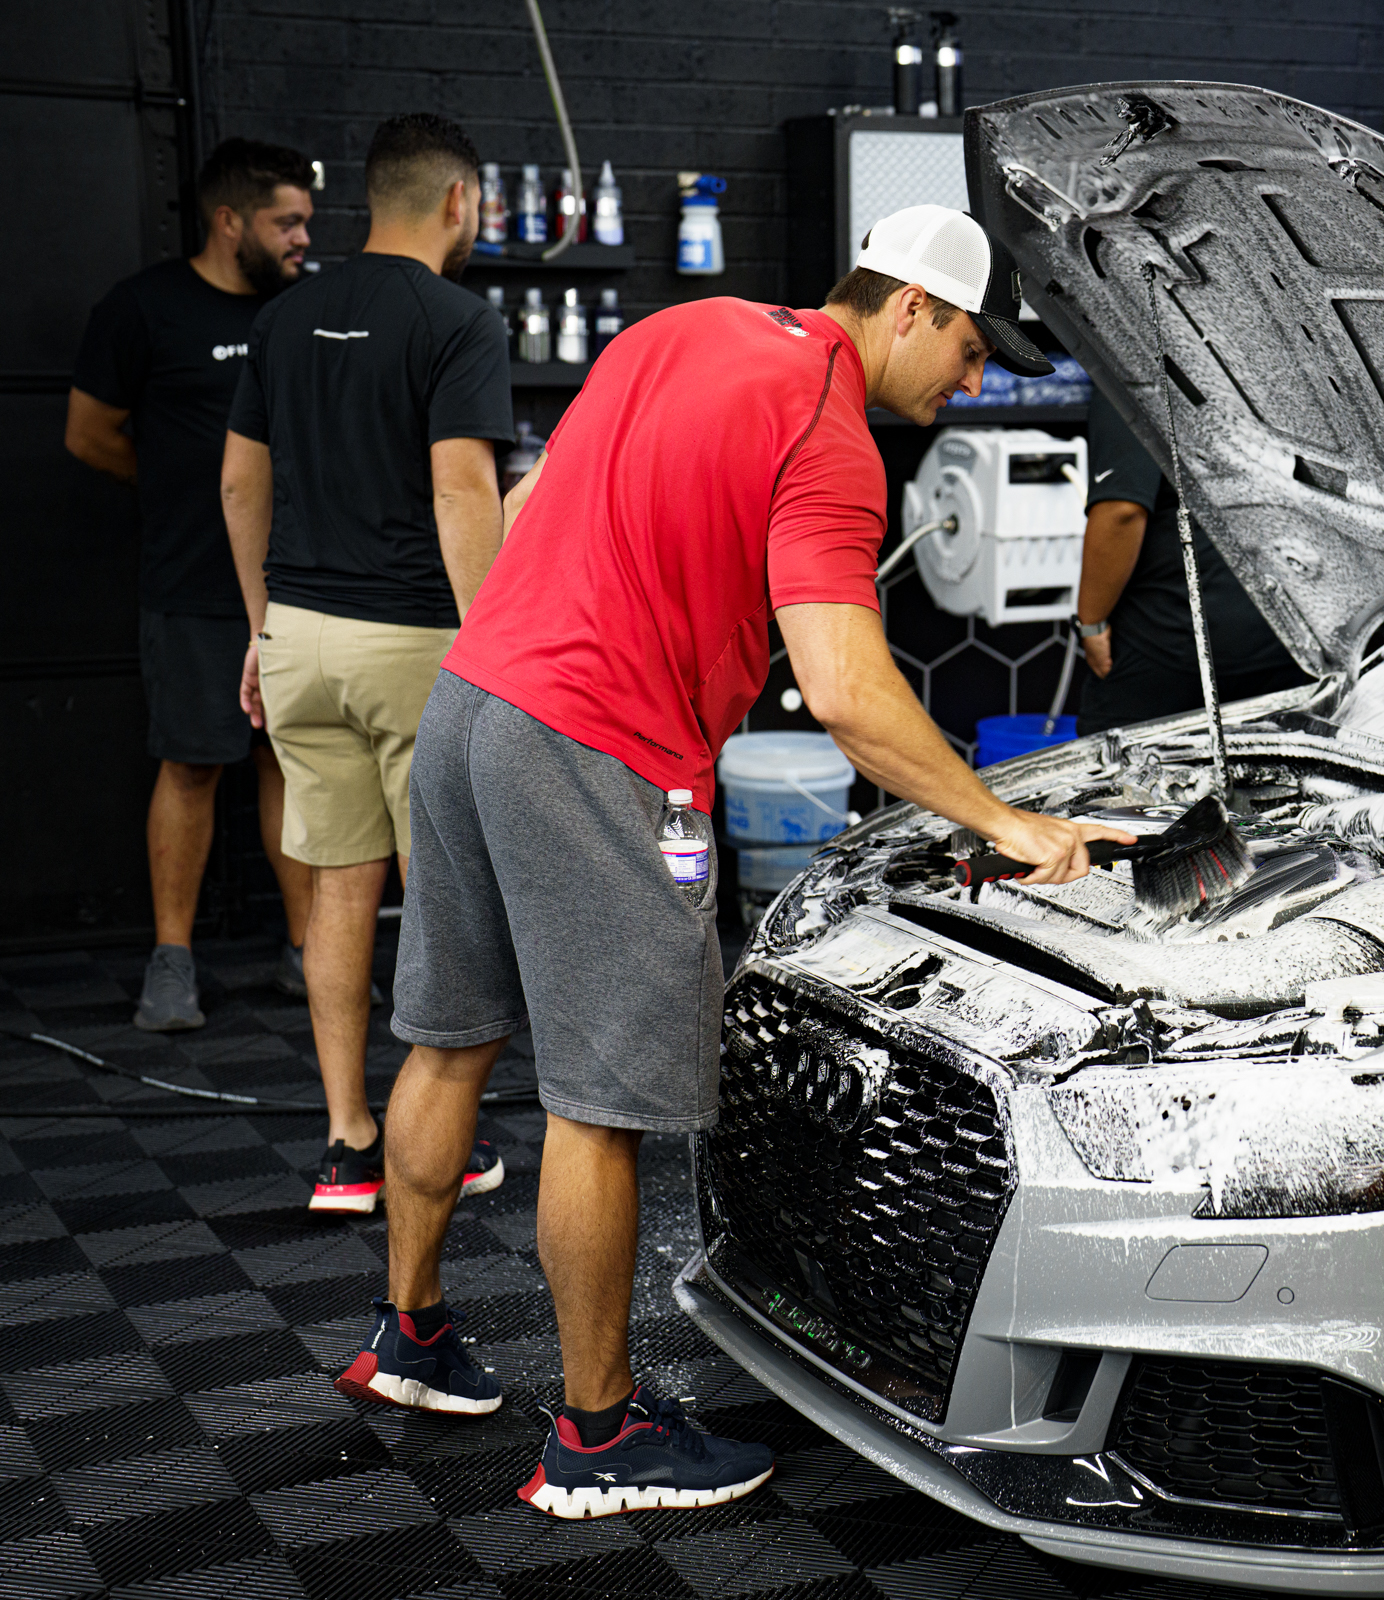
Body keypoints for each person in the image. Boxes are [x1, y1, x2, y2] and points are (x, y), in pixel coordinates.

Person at [334, 204, 1132, 1516]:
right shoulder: (828, 432)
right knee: (598, 1102)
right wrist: (1004, 822)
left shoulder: (684, 327)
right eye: (974, 350)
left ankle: (407, 1338)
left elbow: (534, 494)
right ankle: (596, 1440)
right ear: (913, 308)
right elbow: (844, 690)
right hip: (599, 743)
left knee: (448, 1041)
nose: (977, 382)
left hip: (473, 702)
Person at [221, 113, 513, 1213]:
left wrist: (261, 627)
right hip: (416, 648)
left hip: (298, 637)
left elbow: (241, 487)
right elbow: (461, 493)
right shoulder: (458, 320)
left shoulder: (285, 316)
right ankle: (431, 1144)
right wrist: (493, 649)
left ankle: (348, 1143)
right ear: (456, 203)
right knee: (445, 896)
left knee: (338, 890)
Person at [66, 138, 320, 1031]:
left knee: (288, 759)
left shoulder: (301, 313)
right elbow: (88, 433)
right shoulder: (143, 309)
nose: (301, 239)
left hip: (295, 586)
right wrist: (179, 484)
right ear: (228, 220)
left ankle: (305, 951)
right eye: (286, 222)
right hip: (189, 586)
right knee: (192, 764)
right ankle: (171, 960)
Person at [1074, 390, 1310, 735]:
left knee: (1121, 779)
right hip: (1289, 637)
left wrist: (1090, 622)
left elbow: (1122, 512)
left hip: (1171, 642)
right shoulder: (1283, 362)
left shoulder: (1134, 358)